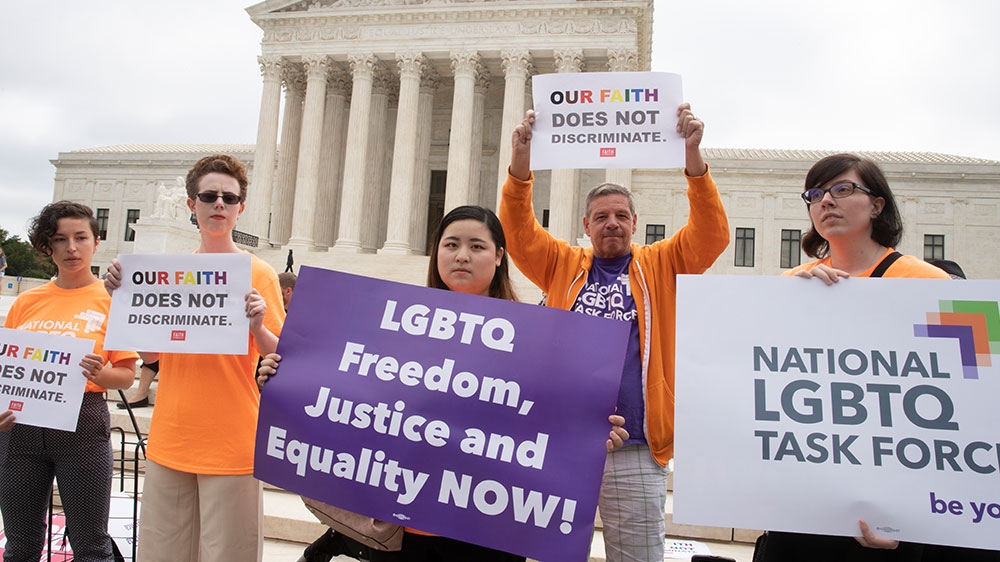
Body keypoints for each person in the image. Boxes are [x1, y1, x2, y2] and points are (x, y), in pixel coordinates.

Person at [259, 205, 629, 562]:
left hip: (488, 529)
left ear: (500, 256)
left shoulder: (540, 341)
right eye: (451, 244)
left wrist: (592, 435)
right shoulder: (393, 328)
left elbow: (551, 417)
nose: (462, 256)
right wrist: (285, 378)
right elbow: (346, 402)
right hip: (403, 531)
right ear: (436, 253)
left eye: (477, 246)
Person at [497, 104, 730, 562]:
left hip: (637, 447)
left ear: (635, 224)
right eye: (602, 216)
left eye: (622, 215)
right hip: (565, 443)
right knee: (555, 556)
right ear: (586, 226)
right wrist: (521, 164)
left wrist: (694, 161)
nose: (612, 224)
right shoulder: (562, 265)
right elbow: (518, 232)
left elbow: (711, 235)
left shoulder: (662, 264)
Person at [755, 153, 951, 562]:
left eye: (843, 190)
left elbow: (958, 407)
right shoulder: (790, 285)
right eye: (815, 194)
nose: (826, 202)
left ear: (877, 205)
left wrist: (911, 519)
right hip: (802, 508)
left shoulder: (927, 283)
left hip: (886, 523)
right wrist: (795, 303)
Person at [104, 154, 285, 562]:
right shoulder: (167, 273)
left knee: (228, 555)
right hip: (172, 436)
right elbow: (153, 357)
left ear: (241, 207)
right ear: (191, 205)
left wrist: (257, 326)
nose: (219, 204)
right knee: (161, 553)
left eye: (229, 197)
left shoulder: (260, 274)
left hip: (233, 438)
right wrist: (125, 300)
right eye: (209, 196)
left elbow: (282, 358)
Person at [0, 201, 139, 562]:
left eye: (81, 237)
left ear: (96, 241)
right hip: (19, 431)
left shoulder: (112, 302)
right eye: (60, 239)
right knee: (20, 546)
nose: (71, 248)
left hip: (83, 426)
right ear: (48, 246)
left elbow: (125, 375)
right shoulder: (25, 302)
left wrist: (100, 373)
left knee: (91, 547)